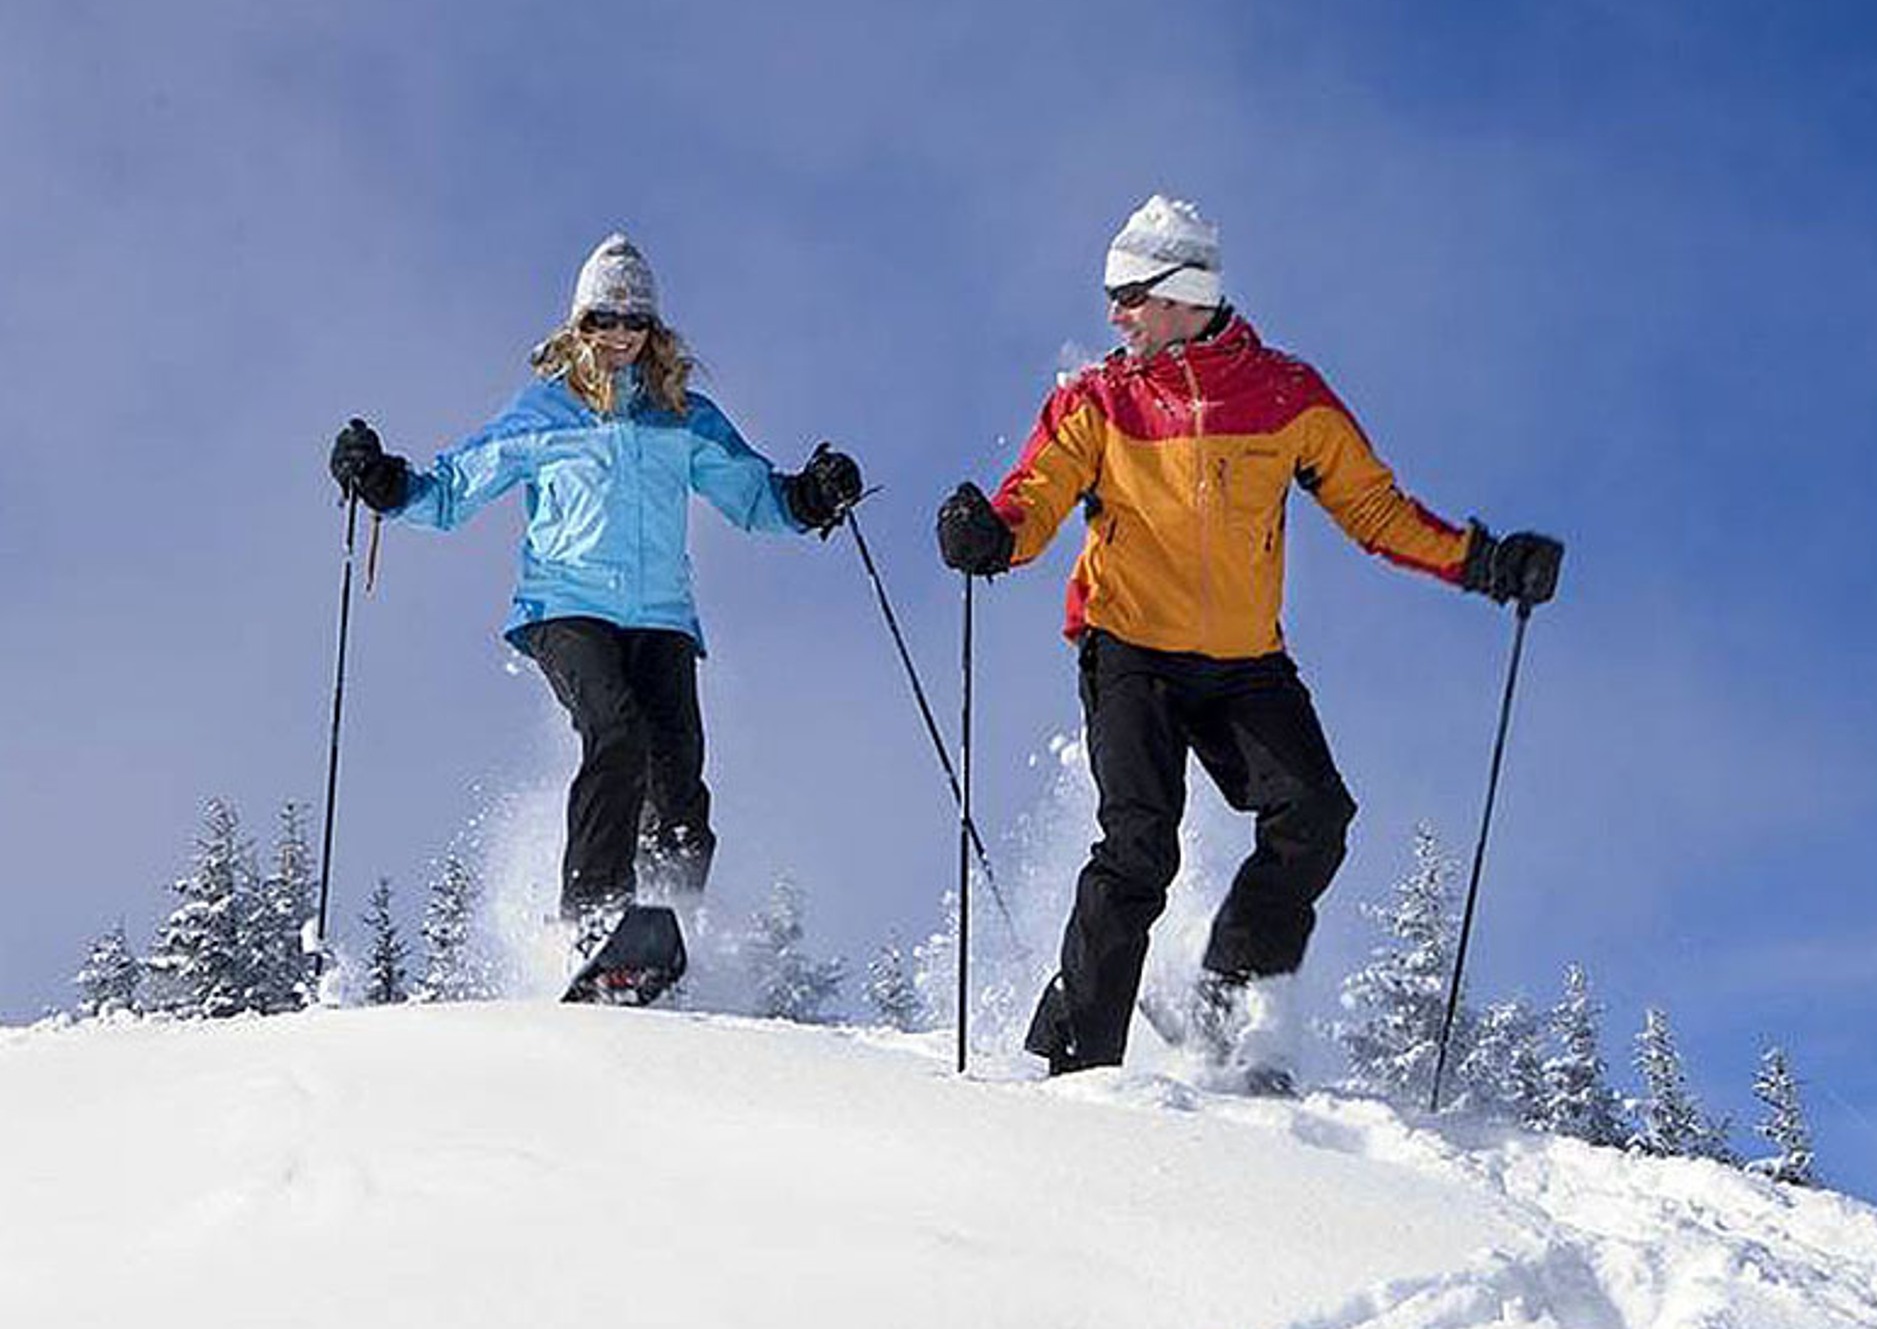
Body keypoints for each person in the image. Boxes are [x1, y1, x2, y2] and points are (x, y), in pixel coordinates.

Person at [936, 195, 1561, 1088]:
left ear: (1185, 294)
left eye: (1130, 294)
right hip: (1130, 649)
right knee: (1140, 846)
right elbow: (1033, 495)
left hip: (1242, 662)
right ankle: (1080, 1061)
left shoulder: (1286, 395)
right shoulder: (1101, 399)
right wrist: (989, 536)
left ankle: (1220, 1005)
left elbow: (1374, 510)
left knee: (1315, 816)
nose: (1114, 314)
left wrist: (1486, 561)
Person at [330, 232, 862, 960]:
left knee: (678, 774)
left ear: (653, 330)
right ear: (577, 326)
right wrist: (387, 483)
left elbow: (756, 498)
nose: (618, 335)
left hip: (662, 617)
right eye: (603, 320)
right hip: (566, 607)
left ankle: (669, 928)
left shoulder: (683, 418)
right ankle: (591, 919)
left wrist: (810, 496)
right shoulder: (544, 415)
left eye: (633, 321)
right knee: (617, 735)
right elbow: (451, 489)